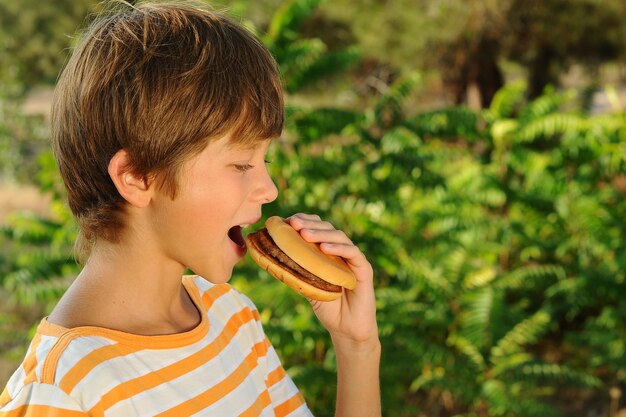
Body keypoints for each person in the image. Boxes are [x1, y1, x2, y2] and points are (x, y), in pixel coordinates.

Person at [0, 1, 381, 417]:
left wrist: (357, 348)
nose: (269, 189)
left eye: (264, 161)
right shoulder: (66, 391)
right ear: (137, 176)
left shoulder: (229, 314)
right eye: (241, 164)